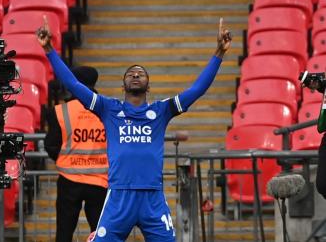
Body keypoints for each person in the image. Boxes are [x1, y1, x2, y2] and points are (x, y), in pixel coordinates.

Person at [38, 16, 231, 241]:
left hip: (152, 198)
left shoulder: (162, 111)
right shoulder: (108, 108)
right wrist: (49, 49)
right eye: (131, 74)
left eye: (141, 73)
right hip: (119, 197)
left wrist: (219, 53)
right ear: (124, 85)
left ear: (149, 84)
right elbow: (73, 84)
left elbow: (197, 89)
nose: (136, 75)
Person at [45, 66, 109, 242]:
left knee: (64, 233)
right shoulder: (108, 109)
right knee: (102, 234)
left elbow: (50, 145)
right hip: (100, 181)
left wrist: (68, 159)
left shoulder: (59, 111)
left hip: (69, 181)